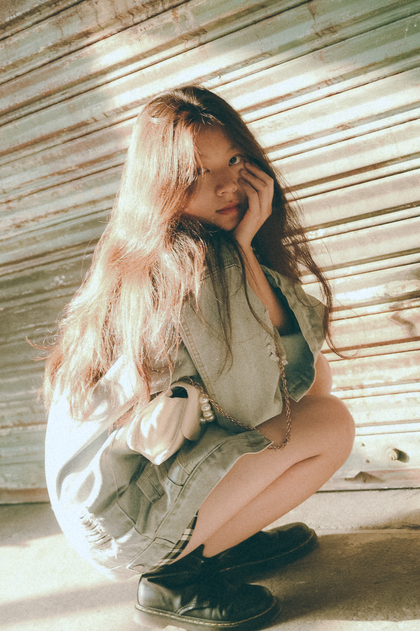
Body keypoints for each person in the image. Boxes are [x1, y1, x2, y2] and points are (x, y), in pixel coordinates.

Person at [43, 86, 355, 630]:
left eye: (233, 160)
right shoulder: (193, 262)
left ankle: (220, 537)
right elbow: (255, 405)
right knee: (330, 424)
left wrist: (245, 248)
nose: (226, 186)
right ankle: (177, 577)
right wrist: (243, 248)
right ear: (160, 184)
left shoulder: (146, 248)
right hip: (128, 517)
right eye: (194, 173)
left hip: (107, 506)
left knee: (314, 388)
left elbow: (290, 369)